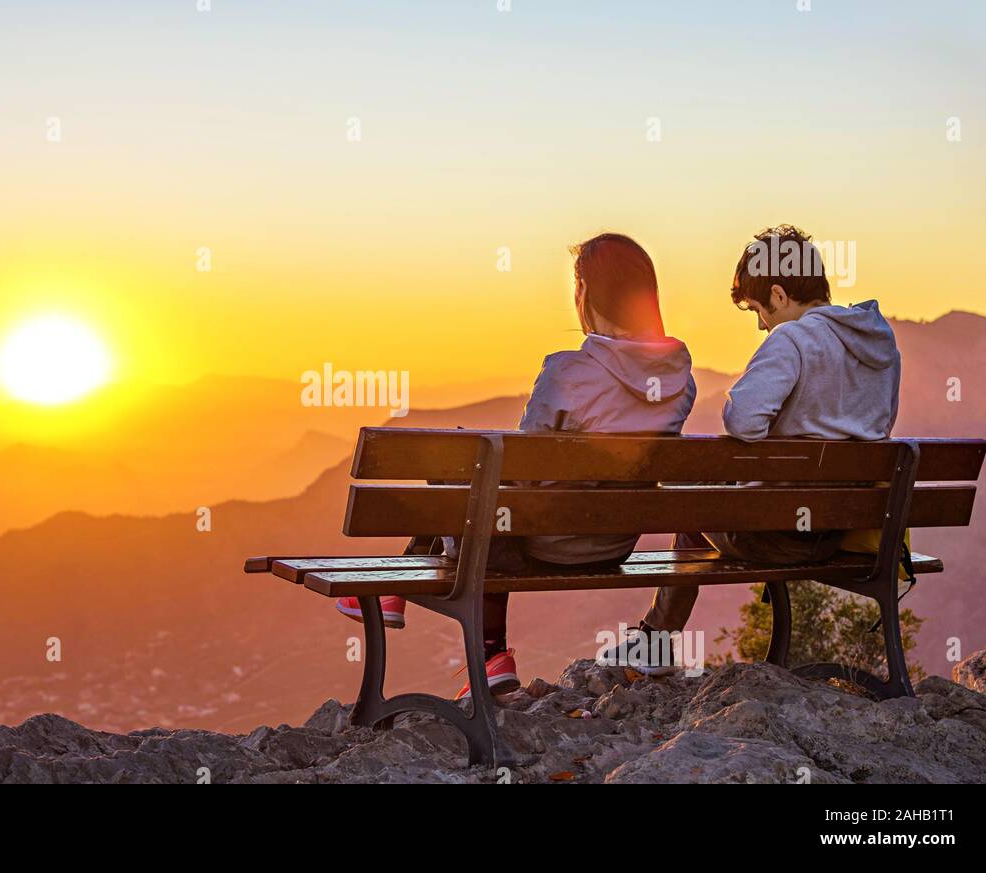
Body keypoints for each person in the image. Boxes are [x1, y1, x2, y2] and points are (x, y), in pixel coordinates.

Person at [334, 233, 697, 697]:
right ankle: (410, 599)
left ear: (584, 292)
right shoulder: (679, 379)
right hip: (616, 544)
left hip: (546, 544)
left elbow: (520, 477)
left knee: (470, 470)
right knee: (485, 481)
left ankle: (487, 652)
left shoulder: (569, 372)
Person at [617, 224, 902, 674]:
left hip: (781, 535)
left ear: (778, 293)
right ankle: (654, 641)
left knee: (690, 503)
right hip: (843, 533)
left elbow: (743, 421)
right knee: (707, 501)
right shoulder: (880, 345)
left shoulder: (793, 340)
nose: (760, 324)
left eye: (758, 310)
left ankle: (653, 644)